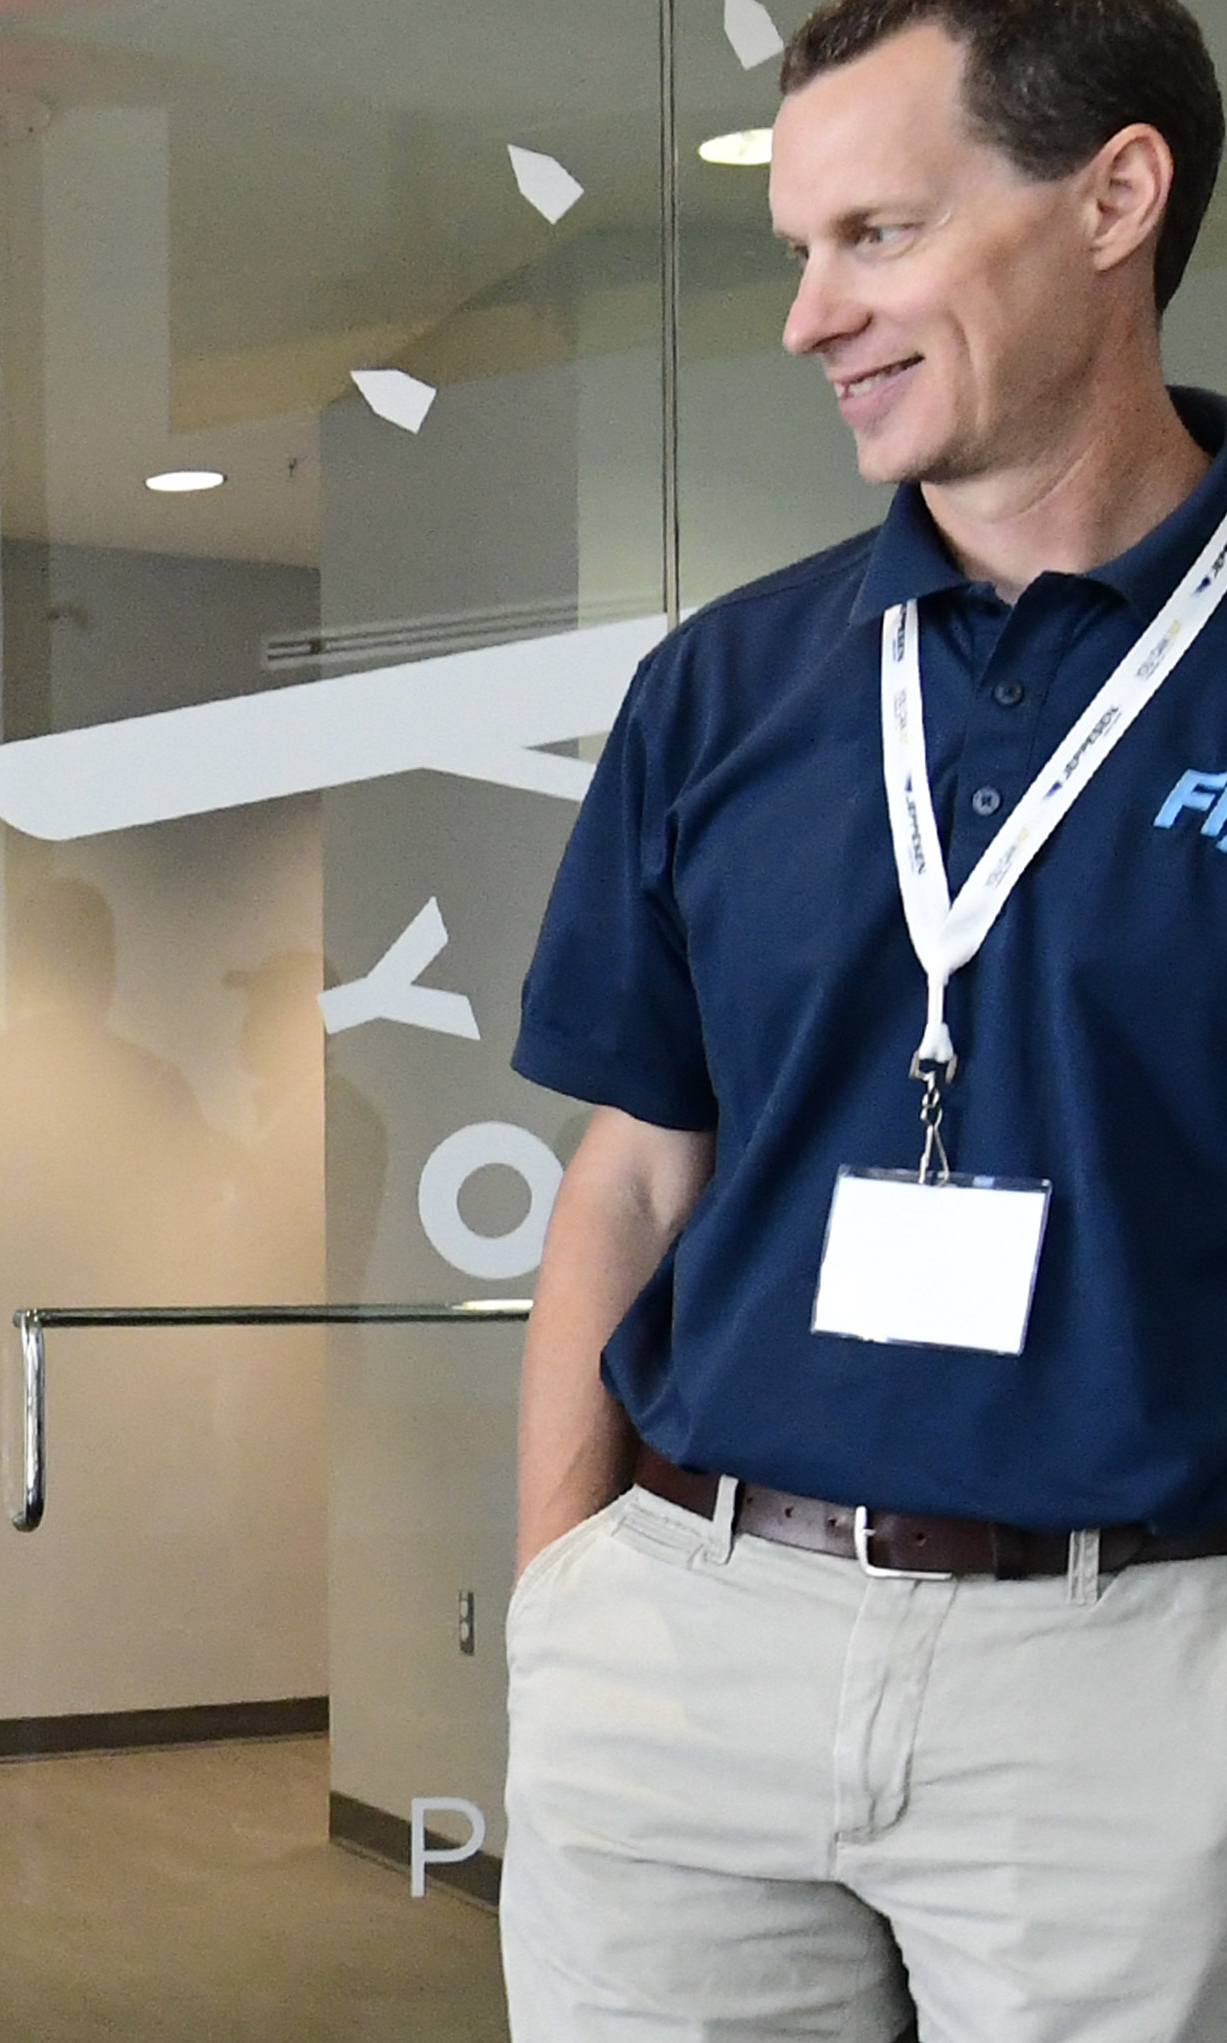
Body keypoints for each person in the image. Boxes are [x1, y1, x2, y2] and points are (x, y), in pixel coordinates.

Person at [506, 2, 1227, 2033]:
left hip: (1136, 1667)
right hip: (689, 1628)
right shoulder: (726, 686)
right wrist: (563, 1595)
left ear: (1113, 196)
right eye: (796, 250)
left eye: (874, 236)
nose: (811, 314)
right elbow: (636, 1169)